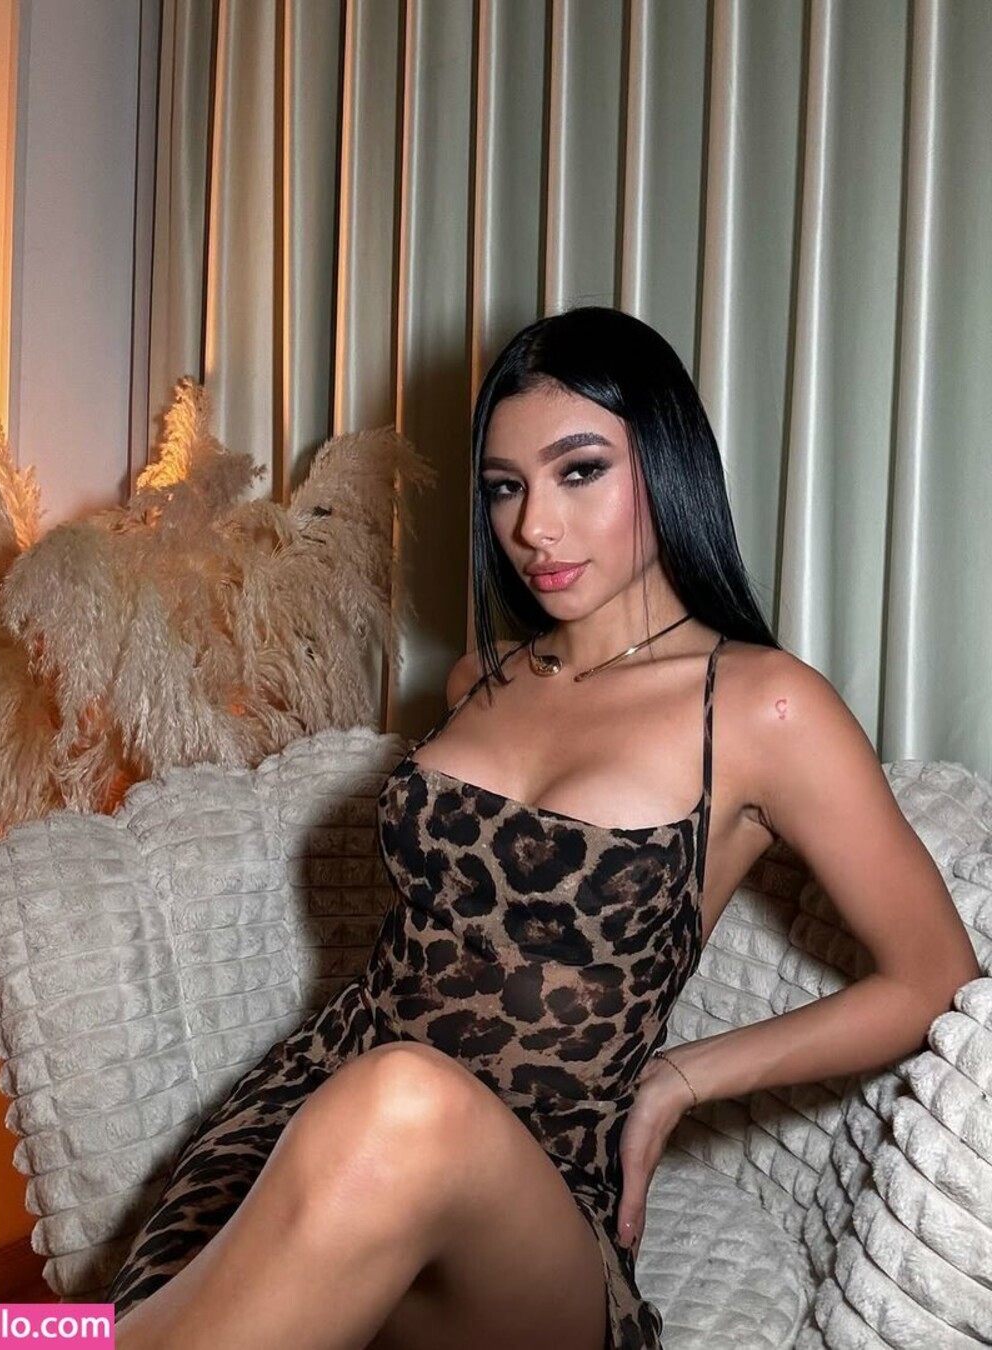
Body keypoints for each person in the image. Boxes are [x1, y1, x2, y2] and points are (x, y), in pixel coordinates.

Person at [107, 307, 978, 1350]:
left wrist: (681, 1079)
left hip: (536, 1202)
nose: (533, 529)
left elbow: (933, 975)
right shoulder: (481, 680)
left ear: (667, 464)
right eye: (505, 487)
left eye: (579, 472)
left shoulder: (760, 708)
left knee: (406, 1100)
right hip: (306, 1116)